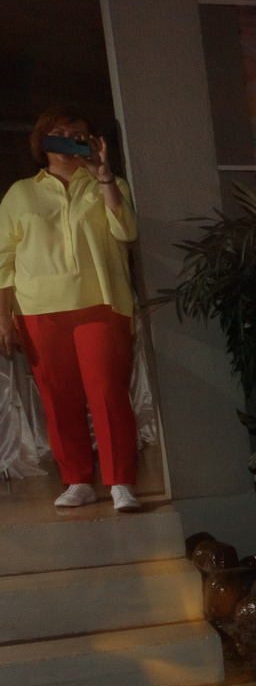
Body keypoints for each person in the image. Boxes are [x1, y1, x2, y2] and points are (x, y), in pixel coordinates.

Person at [0, 105, 142, 512]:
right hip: (38, 309)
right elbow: (3, 259)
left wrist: (104, 176)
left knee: (107, 391)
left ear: (91, 142)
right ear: (42, 141)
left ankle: (120, 482)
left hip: (101, 303)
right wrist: (4, 317)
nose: (67, 141)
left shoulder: (107, 183)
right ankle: (78, 480)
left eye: (77, 135)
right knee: (58, 398)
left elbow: (127, 230)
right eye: (58, 133)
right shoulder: (21, 193)